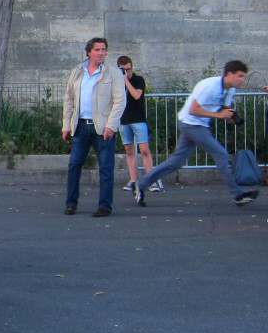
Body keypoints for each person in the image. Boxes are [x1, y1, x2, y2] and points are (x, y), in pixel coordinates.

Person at [135, 61, 259, 208]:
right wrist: (218, 115)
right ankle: (237, 195)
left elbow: (225, 108)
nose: (242, 80)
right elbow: (193, 110)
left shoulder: (230, 90)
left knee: (176, 162)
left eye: (244, 77)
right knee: (221, 153)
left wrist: (231, 118)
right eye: (240, 76)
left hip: (199, 124)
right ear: (230, 74)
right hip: (190, 123)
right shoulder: (209, 86)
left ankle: (140, 185)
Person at [60, 37, 126, 217]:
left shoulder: (113, 73)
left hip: (102, 127)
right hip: (80, 126)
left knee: (105, 168)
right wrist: (66, 125)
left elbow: (119, 102)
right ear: (89, 52)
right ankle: (71, 203)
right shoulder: (77, 71)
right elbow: (69, 99)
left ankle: (105, 206)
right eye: (97, 50)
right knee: (74, 165)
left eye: (104, 50)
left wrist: (111, 126)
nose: (101, 53)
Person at [116, 56, 157, 194]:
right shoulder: (116, 82)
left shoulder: (138, 80)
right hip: (124, 120)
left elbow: (136, 95)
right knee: (129, 151)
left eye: (128, 69)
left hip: (138, 119)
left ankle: (150, 180)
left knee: (144, 149)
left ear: (132, 67)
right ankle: (133, 179)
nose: (126, 72)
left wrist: (126, 80)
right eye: (123, 70)